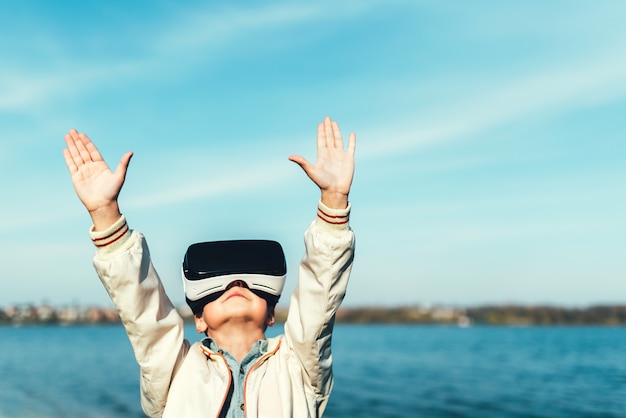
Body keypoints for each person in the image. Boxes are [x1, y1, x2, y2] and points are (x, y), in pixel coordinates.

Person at [62, 117, 356, 418]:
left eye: (247, 281)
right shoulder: (176, 370)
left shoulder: (299, 367)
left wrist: (334, 199)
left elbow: (320, 298)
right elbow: (142, 313)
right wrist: (105, 212)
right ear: (199, 320)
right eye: (219, 286)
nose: (236, 283)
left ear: (271, 315)